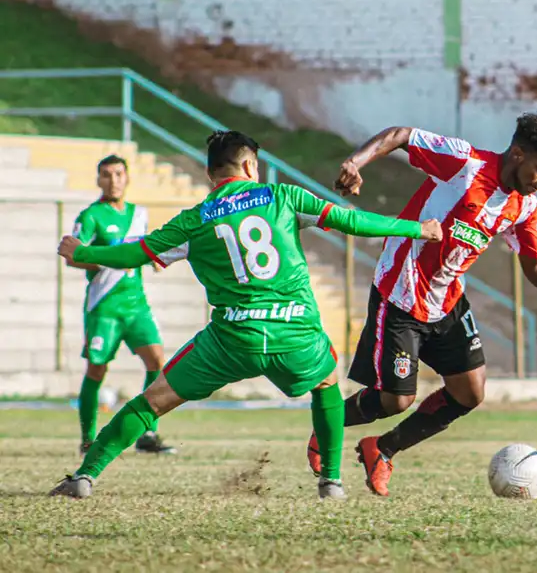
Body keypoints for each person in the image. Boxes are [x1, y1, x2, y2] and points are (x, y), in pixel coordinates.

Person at [49, 130, 443, 500]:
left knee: (153, 400)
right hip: (295, 334)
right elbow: (350, 220)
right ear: (252, 167)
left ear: (209, 174)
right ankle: (332, 482)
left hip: (231, 340)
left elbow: (136, 253)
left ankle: (84, 476)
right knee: (326, 381)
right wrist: (417, 229)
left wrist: (82, 252)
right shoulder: (282, 197)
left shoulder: (195, 219)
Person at [306, 112, 537, 497]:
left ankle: (383, 449)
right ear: (517, 154)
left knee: (470, 392)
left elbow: (536, 264)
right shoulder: (465, 163)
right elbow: (400, 135)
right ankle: (328, 427)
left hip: (448, 302)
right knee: (396, 400)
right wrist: (354, 163)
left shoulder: (524, 206)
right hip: (401, 294)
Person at [69, 155, 174, 456]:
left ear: (127, 178)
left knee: (156, 361)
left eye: (118, 174)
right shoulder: (91, 216)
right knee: (97, 370)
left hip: (136, 304)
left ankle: (148, 433)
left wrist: (154, 260)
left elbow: (146, 250)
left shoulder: (139, 214)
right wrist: (104, 257)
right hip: (105, 306)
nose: (113, 180)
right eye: (106, 175)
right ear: (98, 179)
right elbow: (74, 255)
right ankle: (88, 438)